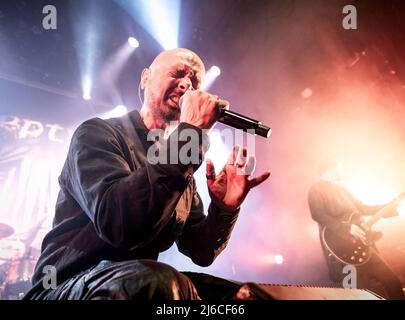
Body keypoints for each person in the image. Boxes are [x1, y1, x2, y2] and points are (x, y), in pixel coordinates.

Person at [24, 48, 270, 300]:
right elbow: (121, 226)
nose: (187, 83)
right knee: (158, 281)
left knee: (245, 296)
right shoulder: (98, 134)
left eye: (195, 82)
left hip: (134, 281)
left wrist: (224, 209)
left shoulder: (178, 166)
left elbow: (201, 251)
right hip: (65, 286)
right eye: (178, 73)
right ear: (145, 78)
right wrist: (190, 134)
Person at [308, 160, 405, 299]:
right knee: (357, 295)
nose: (341, 171)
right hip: (343, 253)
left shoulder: (342, 190)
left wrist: (390, 207)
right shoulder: (316, 189)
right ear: (329, 168)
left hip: (363, 247)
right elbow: (318, 214)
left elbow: (363, 208)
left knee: (393, 282)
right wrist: (347, 228)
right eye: (338, 168)